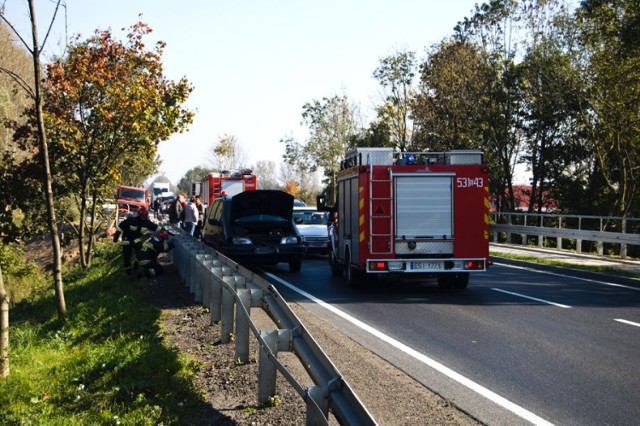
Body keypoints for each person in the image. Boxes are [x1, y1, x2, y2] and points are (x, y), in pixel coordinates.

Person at [112, 207, 160, 275]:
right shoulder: (131, 220)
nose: (143, 217)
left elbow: (158, 228)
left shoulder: (147, 223)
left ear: (146, 215)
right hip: (127, 241)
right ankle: (128, 272)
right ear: (139, 214)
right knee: (127, 257)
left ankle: (136, 267)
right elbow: (120, 227)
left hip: (136, 241)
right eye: (142, 215)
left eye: (144, 215)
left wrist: (167, 232)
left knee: (140, 255)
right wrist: (116, 238)